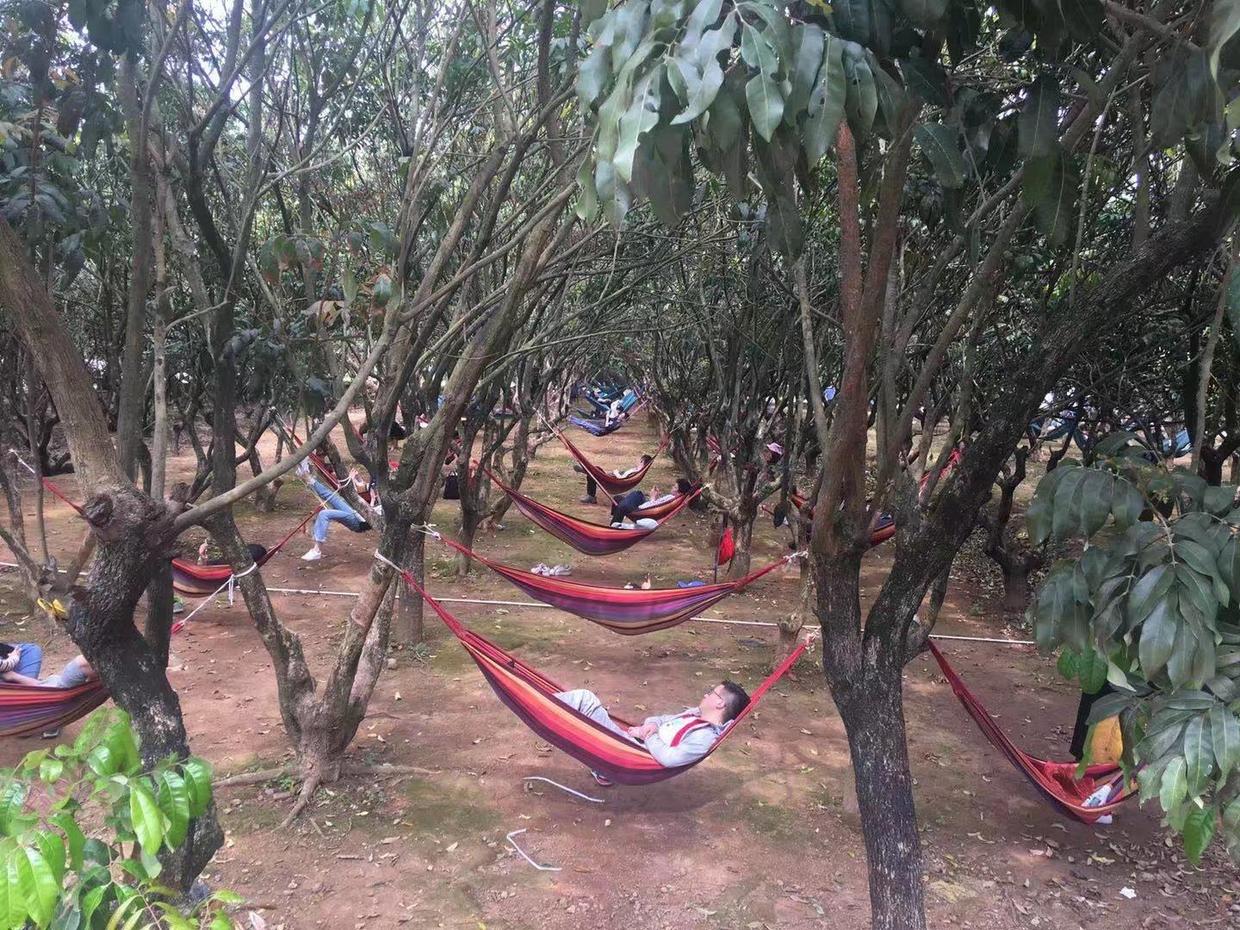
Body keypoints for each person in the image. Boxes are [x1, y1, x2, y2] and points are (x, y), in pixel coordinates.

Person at [555, 680, 752, 786]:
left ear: (720, 703)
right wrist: (650, 726)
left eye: (712, 693)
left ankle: (535, 701)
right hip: (631, 743)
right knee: (586, 706)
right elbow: (661, 719)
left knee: (584, 699)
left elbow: (669, 758)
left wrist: (648, 736)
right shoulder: (694, 715)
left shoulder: (704, 737)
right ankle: (602, 769)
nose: (706, 694)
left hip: (632, 754)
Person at [297, 460, 371, 561]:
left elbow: (373, 516)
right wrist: (356, 478)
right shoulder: (381, 488)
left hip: (359, 521)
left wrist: (373, 500)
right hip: (356, 510)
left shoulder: (388, 506)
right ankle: (307, 476)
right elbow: (364, 488)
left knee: (324, 514)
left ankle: (317, 550)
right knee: (330, 495)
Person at [577, 454, 654, 504]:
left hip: (614, 482)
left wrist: (616, 472)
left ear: (642, 461)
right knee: (595, 472)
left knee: (596, 470)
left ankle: (587, 471)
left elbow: (623, 479)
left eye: (640, 460)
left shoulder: (636, 472)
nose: (638, 462)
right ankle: (587, 471)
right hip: (612, 480)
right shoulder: (637, 471)